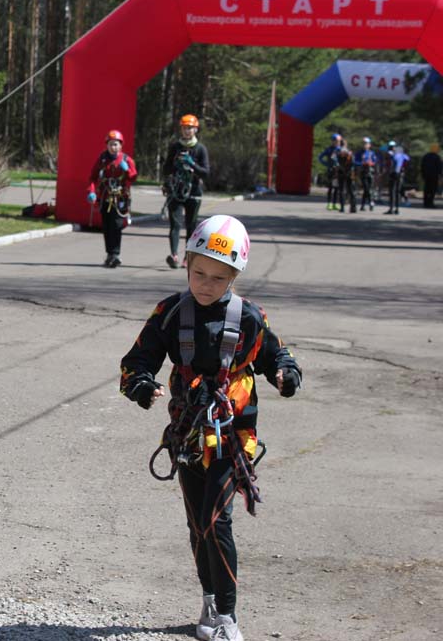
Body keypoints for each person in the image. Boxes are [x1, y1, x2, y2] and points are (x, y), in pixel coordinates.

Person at [119, 215, 301, 641]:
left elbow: (278, 356)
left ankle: (226, 615)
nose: (206, 284)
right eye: (198, 272)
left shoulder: (250, 318)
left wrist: (285, 375)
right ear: (185, 264)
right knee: (197, 524)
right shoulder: (169, 313)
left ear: (235, 276)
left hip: (234, 437)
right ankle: (209, 595)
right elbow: (136, 362)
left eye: (219, 278)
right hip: (187, 436)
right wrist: (143, 387)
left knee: (216, 520)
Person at [162, 114, 210, 269]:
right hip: (176, 191)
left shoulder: (200, 149)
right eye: (184, 128)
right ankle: (174, 255)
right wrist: (174, 166)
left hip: (193, 191)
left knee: (191, 225)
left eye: (190, 128)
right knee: (175, 224)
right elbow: (166, 168)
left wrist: (192, 165)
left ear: (195, 129)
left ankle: (187, 257)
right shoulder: (175, 147)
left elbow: (205, 172)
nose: (187, 131)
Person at [87, 129, 138, 268]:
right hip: (105, 196)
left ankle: (115, 254)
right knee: (107, 226)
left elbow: (133, 177)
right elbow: (93, 177)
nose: (113, 147)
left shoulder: (127, 160)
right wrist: (91, 192)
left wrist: (127, 169)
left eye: (116, 144)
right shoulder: (102, 159)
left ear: (121, 145)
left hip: (120, 198)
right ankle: (110, 253)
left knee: (117, 225)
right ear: (106, 145)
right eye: (110, 144)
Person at [318, 132, 344, 211]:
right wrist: (326, 164)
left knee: (336, 187)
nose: (338, 142)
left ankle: (334, 204)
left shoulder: (340, 149)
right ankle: (329, 203)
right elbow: (320, 157)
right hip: (331, 170)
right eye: (336, 141)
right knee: (330, 187)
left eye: (339, 141)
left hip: (337, 171)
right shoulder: (329, 149)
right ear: (333, 141)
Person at [385, 143, 410, 215]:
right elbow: (407, 159)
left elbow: (390, 164)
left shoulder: (392, 155)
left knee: (392, 191)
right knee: (397, 192)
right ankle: (396, 209)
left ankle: (392, 209)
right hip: (400, 174)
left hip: (394, 174)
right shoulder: (402, 155)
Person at [355, 137, 378, 211]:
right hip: (363, 172)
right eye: (364, 143)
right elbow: (355, 161)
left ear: (369, 145)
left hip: (370, 172)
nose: (365, 145)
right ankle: (371, 202)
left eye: (366, 143)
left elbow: (375, 161)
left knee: (368, 189)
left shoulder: (372, 153)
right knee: (366, 188)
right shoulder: (359, 153)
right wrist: (362, 163)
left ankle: (362, 205)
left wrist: (371, 163)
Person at [336, 141, 356, 213]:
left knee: (341, 190)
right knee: (351, 190)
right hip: (349, 172)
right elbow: (353, 163)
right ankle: (353, 208)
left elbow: (335, 162)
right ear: (346, 145)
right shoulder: (350, 153)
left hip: (342, 172)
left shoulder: (338, 152)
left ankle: (342, 208)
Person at [420, 144, 441, 209]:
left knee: (426, 189)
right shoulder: (437, 157)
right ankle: (430, 203)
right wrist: (440, 175)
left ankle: (425, 203)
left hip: (426, 176)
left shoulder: (425, 156)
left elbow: (422, 166)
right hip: (434, 176)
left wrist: (423, 174)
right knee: (432, 190)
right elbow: (439, 167)